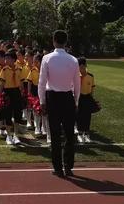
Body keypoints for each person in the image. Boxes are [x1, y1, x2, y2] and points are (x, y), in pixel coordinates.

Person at [38, 30, 81, 178]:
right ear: (66, 42)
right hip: (68, 97)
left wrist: (42, 101)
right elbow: (77, 84)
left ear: (54, 40)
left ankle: (58, 168)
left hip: (53, 98)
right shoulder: (73, 60)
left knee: (55, 134)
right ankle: (68, 166)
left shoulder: (47, 58)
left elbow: (42, 82)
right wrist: (75, 101)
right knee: (69, 134)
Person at [0, 49, 24, 145]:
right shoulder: (4, 70)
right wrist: (0, 95)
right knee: (8, 114)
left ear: (13, 59)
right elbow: (2, 84)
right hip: (7, 93)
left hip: (16, 92)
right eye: (5, 58)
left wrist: (22, 93)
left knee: (17, 114)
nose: (6, 60)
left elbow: (21, 82)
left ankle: (16, 136)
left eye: (8, 58)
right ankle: (9, 136)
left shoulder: (19, 69)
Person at [76, 57, 95, 143]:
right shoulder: (75, 76)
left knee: (87, 116)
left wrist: (91, 99)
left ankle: (86, 134)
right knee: (79, 116)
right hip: (78, 98)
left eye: (83, 66)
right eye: (80, 67)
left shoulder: (90, 76)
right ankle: (80, 134)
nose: (82, 68)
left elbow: (92, 89)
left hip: (87, 98)